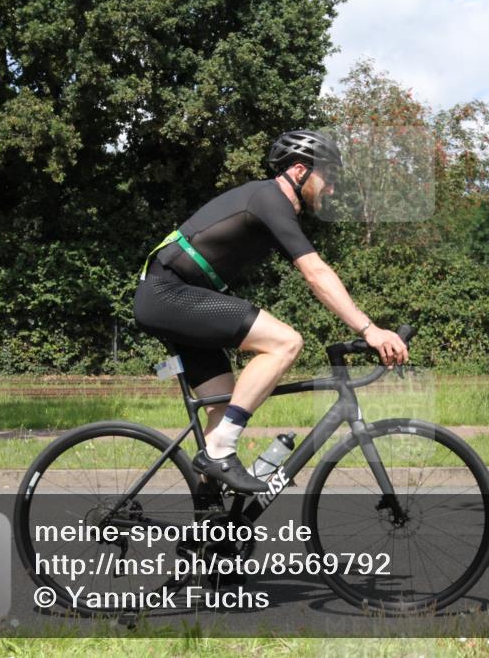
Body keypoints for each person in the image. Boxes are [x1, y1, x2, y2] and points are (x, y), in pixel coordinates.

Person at [134, 130, 409, 493]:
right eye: (328, 177)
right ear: (299, 171)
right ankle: (219, 452)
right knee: (284, 342)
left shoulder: (275, 208)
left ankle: (208, 531)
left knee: (223, 409)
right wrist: (369, 329)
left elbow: (314, 276)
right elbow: (317, 274)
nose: (330, 189)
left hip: (176, 296)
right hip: (167, 292)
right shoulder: (269, 198)